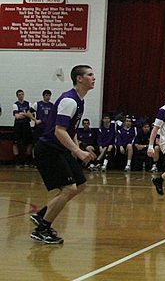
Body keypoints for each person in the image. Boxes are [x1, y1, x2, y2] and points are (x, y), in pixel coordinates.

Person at [30, 65, 96, 244]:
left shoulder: (79, 100)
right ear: (79, 79)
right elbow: (59, 131)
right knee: (69, 189)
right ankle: (42, 229)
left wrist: (77, 148)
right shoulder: (70, 101)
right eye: (90, 75)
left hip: (61, 150)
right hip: (49, 150)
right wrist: (77, 151)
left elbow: (70, 130)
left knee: (80, 184)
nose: (94, 78)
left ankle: (42, 214)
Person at [13, 89, 35, 166]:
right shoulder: (15, 104)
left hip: (26, 125)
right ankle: (17, 160)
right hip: (18, 126)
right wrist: (26, 114)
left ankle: (28, 159)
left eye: (22, 94)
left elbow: (32, 115)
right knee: (16, 142)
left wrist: (23, 113)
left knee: (29, 142)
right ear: (17, 96)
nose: (21, 96)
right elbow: (17, 116)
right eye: (19, 94)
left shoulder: (28, 103)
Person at [31, 90, 53, 156]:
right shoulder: (37, 104)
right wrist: (35, 120)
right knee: (36, 143)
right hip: (39, 128)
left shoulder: (52, 105)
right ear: (43, 96)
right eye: (46, 95)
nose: (48, 97)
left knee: (47, 144)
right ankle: (35, 159)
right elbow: (29, 112)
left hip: (48, 128)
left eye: (49, 95)